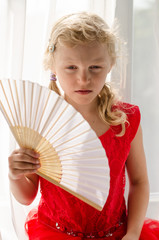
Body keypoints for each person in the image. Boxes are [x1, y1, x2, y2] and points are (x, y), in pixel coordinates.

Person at [8, 12, 159, 240]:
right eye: (71, 68)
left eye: (95, 67)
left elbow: (139, 181)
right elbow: (27, 196)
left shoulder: (126, 120)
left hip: (117, 233)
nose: (83, 79)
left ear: (110, 65)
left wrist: (133, 233)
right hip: (55, 233)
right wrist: (14, 175)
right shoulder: (40, 122)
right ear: (53, 67)